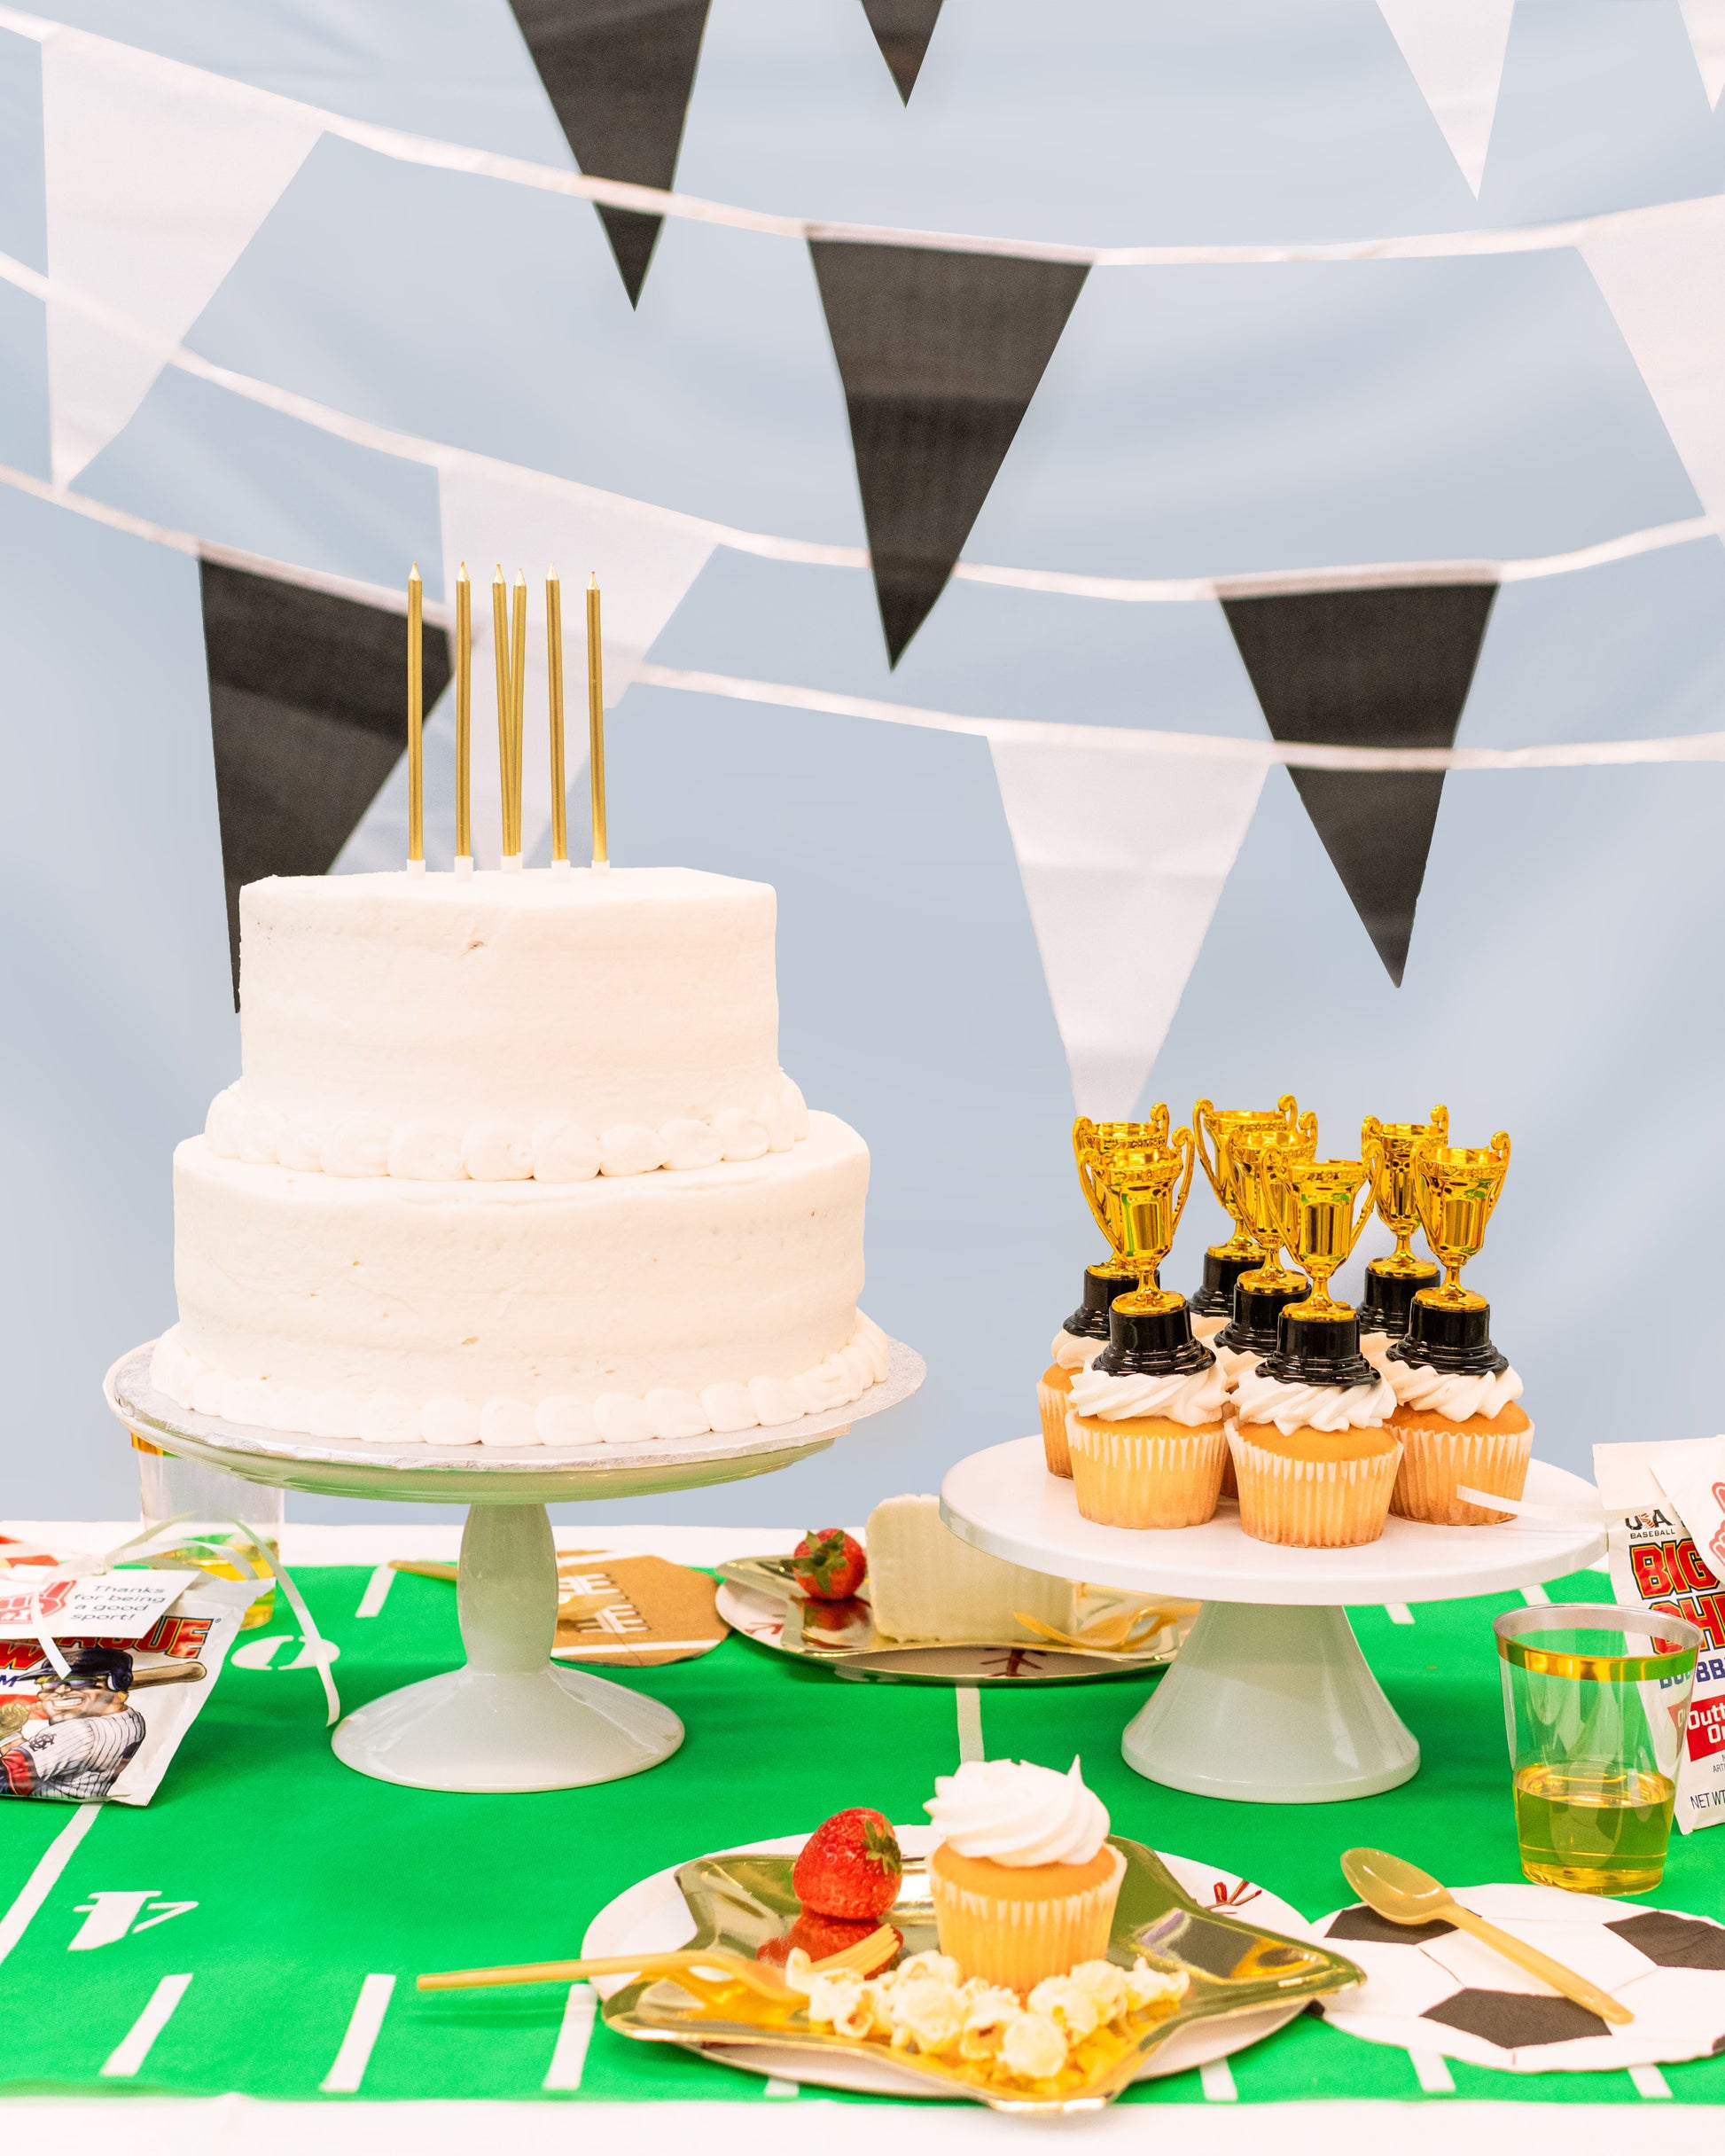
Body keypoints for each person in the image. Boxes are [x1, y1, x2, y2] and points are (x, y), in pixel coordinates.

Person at [0, 1646, 146, 1800]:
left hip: (39, 1811)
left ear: (116, 1685)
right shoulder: (130, 1719)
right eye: (50, 1683)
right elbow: (51, 1758)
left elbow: (6, 1779)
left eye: (78, 1681)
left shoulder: (78, 1731)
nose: (60, 1691)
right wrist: (8, 1735)